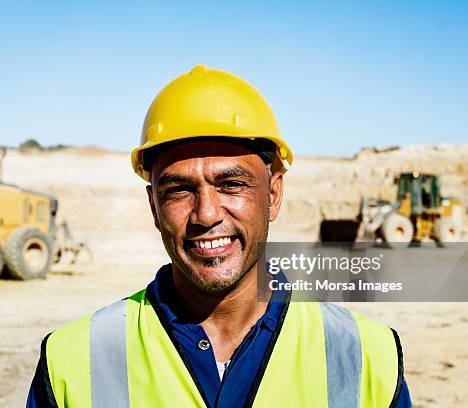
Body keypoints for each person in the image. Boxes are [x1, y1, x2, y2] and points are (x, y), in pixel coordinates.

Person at [27, 65, 412, 407]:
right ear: (154, 207)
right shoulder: (75, 360)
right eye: (178, 189)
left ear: (273, 195)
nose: (206, 214)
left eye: (231, 184)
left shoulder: (364, 356)